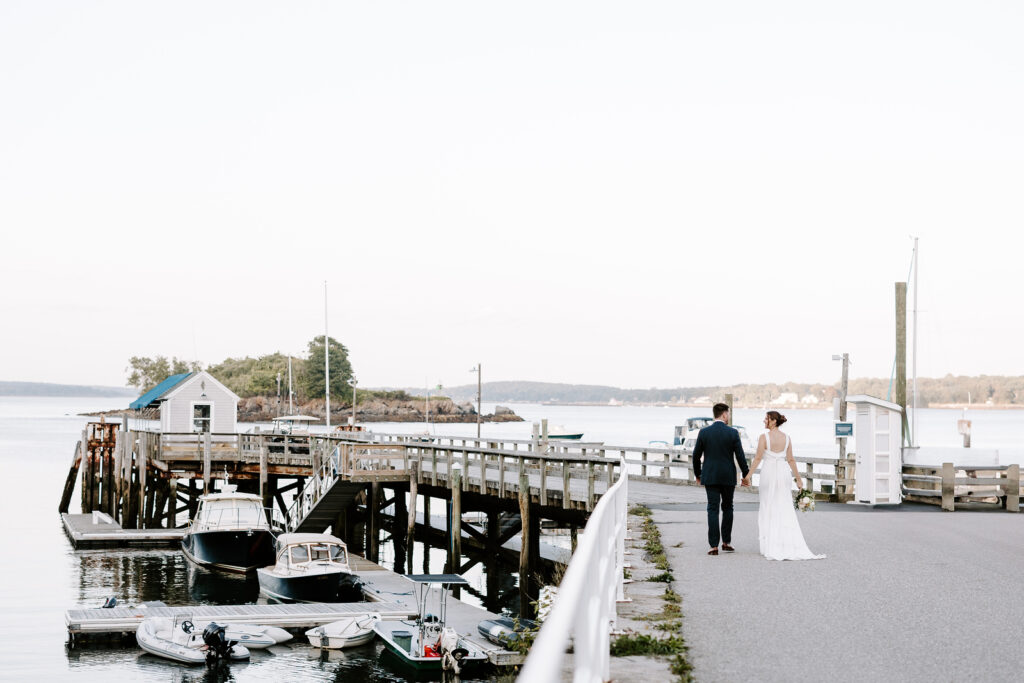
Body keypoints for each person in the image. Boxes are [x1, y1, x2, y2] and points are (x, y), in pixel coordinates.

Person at [742, 411, 825, 561]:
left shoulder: (764, 437)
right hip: (783, 473)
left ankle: (770, 544)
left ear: (773, 421)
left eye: (766, 419)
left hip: (768, 473)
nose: (764, 421)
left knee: (768, 506)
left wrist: (748, 476)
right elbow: (791, 460)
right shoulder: (787, 438)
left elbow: (758, 458)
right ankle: (783, 542)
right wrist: (798, 479)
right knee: (783, 505)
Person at [692, 402, 749, 556]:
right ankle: (726, 542)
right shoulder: (733, 433)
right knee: (728, 507)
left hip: (710, 475)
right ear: (724, 414)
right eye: (728, 414)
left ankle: (713, 546)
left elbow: (696, 456)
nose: (728, 416)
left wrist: (698, 474)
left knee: (712, 508)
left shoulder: (704, 433)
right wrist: (746, 474)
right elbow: (740, 456)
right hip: (728, 476)